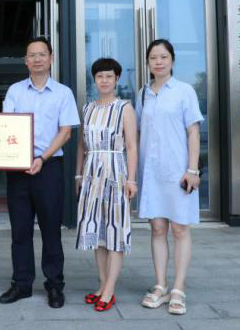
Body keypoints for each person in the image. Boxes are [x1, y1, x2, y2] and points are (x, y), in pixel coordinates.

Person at [0, 37, 80, 309]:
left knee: (51, 229)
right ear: (25, 61)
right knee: (20, 230)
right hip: (17, 168)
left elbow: (66, 132)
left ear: (51, 58)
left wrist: (41, 159)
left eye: (42, 54)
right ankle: (21, 284)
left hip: (49, 167)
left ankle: (55, 285)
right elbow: (6, 127)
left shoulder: (63, 93)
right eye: (31, 55)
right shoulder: (15, 91)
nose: (37, 59)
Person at [136, 39, 204, 316]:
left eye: (163, 57)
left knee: (180, 229)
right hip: (151, 172)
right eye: (153, 57)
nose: (159, 62)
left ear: (172, 60)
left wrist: (193, 169)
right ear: (148, 62)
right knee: (157, 228)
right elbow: (136, 133)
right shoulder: (143, 93)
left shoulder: (184, 91)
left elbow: (193, 132)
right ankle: (160, 285)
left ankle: (178, 288)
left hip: (178, 172)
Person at [74, 57, 138, 312]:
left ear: (117, 79)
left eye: (109, 76)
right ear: (94, 79)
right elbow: (82, 145)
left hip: (115, 172)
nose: (104, 80)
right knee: (97, 232)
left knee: (115, 231)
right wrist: (78, 175)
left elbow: (132, 146)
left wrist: (131, 179)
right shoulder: (87, 108)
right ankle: (101, 285)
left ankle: (109, 290)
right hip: (91, 174)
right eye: (100, 76)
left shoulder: (125, 108)